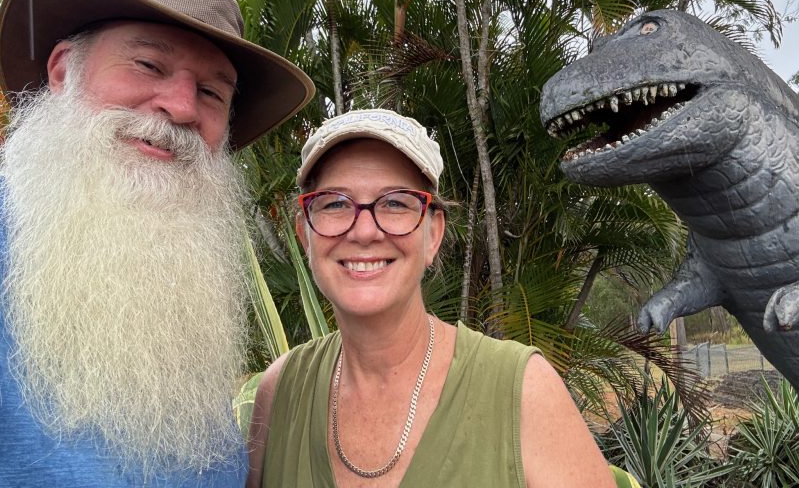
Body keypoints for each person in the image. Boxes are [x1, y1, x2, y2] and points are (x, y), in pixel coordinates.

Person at [0, 0, 314, 486]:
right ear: (63, 72)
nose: (182, 107)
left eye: (212, 93)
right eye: (148, 64)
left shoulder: (188, 295)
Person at [247, 109, 615, 487]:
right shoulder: (280, 394)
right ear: (305, 235)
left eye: (395, 202)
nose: (364, 231)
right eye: (335, 203)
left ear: (433, 234)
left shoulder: (521, 391)